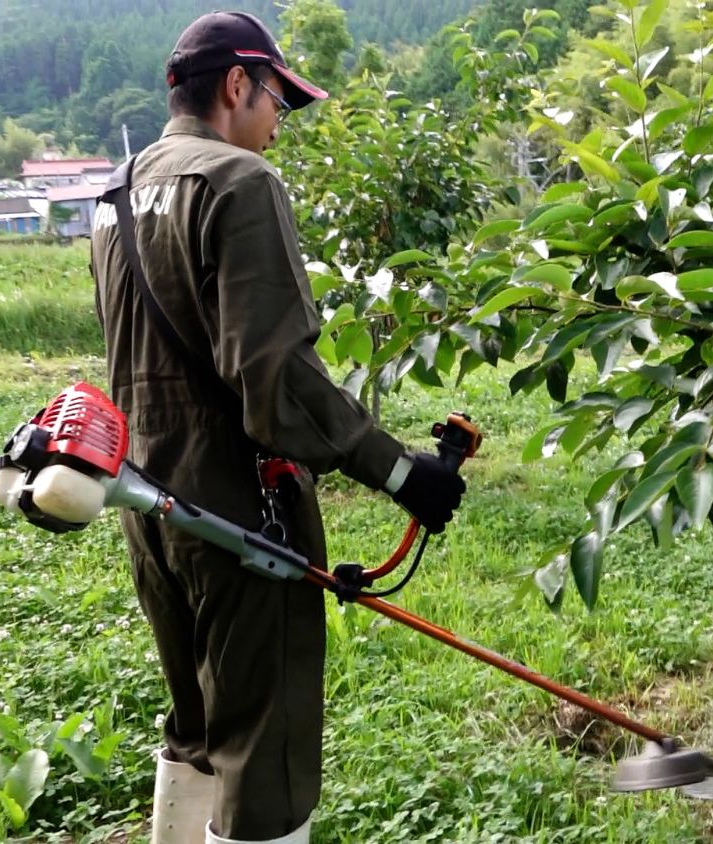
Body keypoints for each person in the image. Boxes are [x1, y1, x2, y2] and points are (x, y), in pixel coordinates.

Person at [89, 11, 466, 844]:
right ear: (236, 86)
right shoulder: (237, 182)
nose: (277, 126)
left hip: (145, 504)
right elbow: (277, 380)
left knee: (193, 728)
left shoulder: (114, 195)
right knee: (264, 752)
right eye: (277, 104)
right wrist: (401, 473)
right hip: (237, 513)